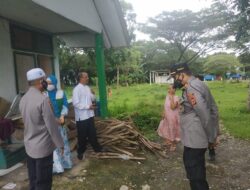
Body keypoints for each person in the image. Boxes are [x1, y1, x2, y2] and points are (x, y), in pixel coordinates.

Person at [170, 63, 219, 190]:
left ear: (182, 74)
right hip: (195, 137)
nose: (175, 80)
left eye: (175, 77)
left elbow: (205, 114)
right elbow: (212, 108)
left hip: (195, 139)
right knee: (197, 171)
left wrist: (212, 138)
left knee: (195, 175)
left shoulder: (192, 88)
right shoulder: (198, 84)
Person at [19, 68, 64, 190]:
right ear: (40, 81)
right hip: (43, 148)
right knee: (43, 182)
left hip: (29, 147)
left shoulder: (23, 99)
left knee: (33, 180)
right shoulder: (42, 99)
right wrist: (60, 144)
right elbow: (51, 126)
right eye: (44, 80)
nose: (46, 83)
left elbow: (34, 121)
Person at [72, 72, 103, 160]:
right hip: (82, 117)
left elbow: (92, 98)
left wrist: (93, 94)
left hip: (89, 115)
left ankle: (97, 149)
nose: (87, 78)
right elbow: (75, 103)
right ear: (80, 78)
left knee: (92, 133)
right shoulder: (76, 89)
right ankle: (80, 152)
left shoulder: (87, 88)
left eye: (87, 77)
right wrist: (87, 107)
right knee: (82, 136)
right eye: (86, 77)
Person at [46, 75, 73, 173]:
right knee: (52, 145)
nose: (48, 85)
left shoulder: (60, 93)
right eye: (47, 83)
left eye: (50, 83)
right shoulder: (44, 94)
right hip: (49, 124)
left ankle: (66, 164)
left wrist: (62, 116)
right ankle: (56, 168)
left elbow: (65, 105)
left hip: (60, 123)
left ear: (54, 83)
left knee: (62, 143)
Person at [157, 84, 180, 151]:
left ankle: (173, 144)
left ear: (174, 90)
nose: (168, 90)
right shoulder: (167, 96)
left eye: (170, 89)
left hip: (173, 117)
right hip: (167, 116)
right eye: (168, 89)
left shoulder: (176, 97)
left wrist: (172, 97)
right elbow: (165, 106)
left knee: (172, 130)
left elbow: (172, 107)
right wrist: (163, 113)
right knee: (165, 128)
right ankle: (168, 141)